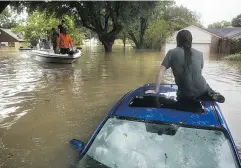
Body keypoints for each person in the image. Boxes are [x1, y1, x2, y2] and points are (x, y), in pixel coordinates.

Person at [149, 30, 225, 103]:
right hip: (202, 89)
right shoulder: (200, 53)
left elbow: (160, 72)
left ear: (177, 40)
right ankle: (211, 93)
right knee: (203, 84)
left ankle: (194, 96)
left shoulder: (172, 52)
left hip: (186, 94)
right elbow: (199, 72)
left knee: (182, 94)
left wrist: (156, 90)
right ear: (190, 40)